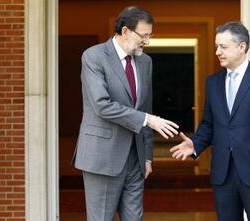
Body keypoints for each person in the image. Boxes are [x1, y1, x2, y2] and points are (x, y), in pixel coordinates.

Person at [72, 6, 179, 221]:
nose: (147, 41)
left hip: (135, 158)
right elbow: (102, 105)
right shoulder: (93, 56)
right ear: (125, 31)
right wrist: (148, 120)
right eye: (144, 35)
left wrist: (147, 157)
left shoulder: (145, 61)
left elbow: (145, 108)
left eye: (150, 35)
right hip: (102, 157)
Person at [170, 21, 250, 221]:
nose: (218, 52)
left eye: (223, 47)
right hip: (222, 174)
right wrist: (195, 144)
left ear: (242, 47)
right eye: (216, 46)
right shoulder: (212, 82)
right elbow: (208, 124)